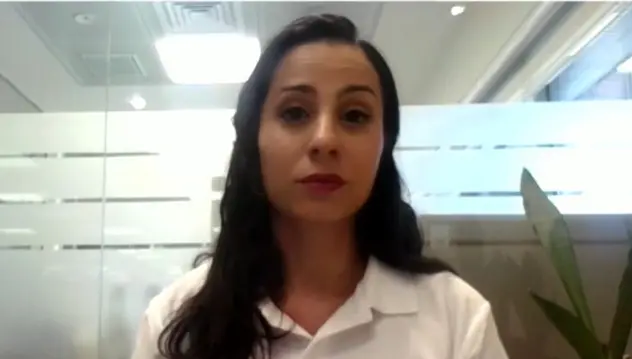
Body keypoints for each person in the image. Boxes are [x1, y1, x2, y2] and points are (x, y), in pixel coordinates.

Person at [131, 14, 509, 359]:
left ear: (384, 144)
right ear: (253, 139)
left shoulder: (456, 317)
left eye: (354, 116)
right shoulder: (175, 321)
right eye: (295, 113)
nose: (325, 139)